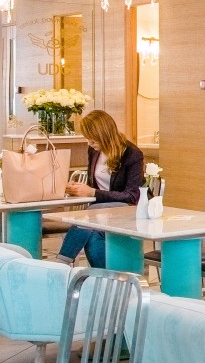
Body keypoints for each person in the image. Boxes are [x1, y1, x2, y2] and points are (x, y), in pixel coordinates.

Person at [55, 109, 145, 267]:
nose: (89, 143)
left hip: (125, 209)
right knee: (93, 235)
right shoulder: (94, 150)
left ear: (104, 134)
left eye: (93, 139)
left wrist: (93, 192)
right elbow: (94, 184)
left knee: (88, 216)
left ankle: (61, 264)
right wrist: (78, 189)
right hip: (99, 211)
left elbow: (131, 196)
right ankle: (102, 276)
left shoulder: (132, 154)